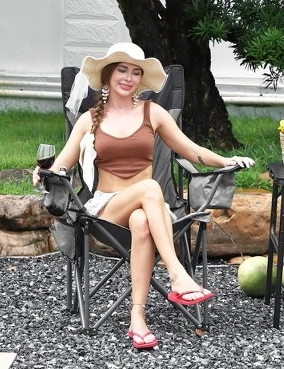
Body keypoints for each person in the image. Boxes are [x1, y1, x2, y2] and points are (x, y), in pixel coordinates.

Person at [33, 42, 255, 349]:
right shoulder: (89, 119)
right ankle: (177, 273)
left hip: (151, 212)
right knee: (150, 187)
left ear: (141, 79)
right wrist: (42, 171)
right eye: (122, 70)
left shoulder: (154, 112)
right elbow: (62, 164)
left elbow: (191, 150)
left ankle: (137, 318)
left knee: (141, 220)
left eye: (136, 72)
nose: (128, 78)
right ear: (108, 75)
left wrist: (225, 160)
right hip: (107, 211)